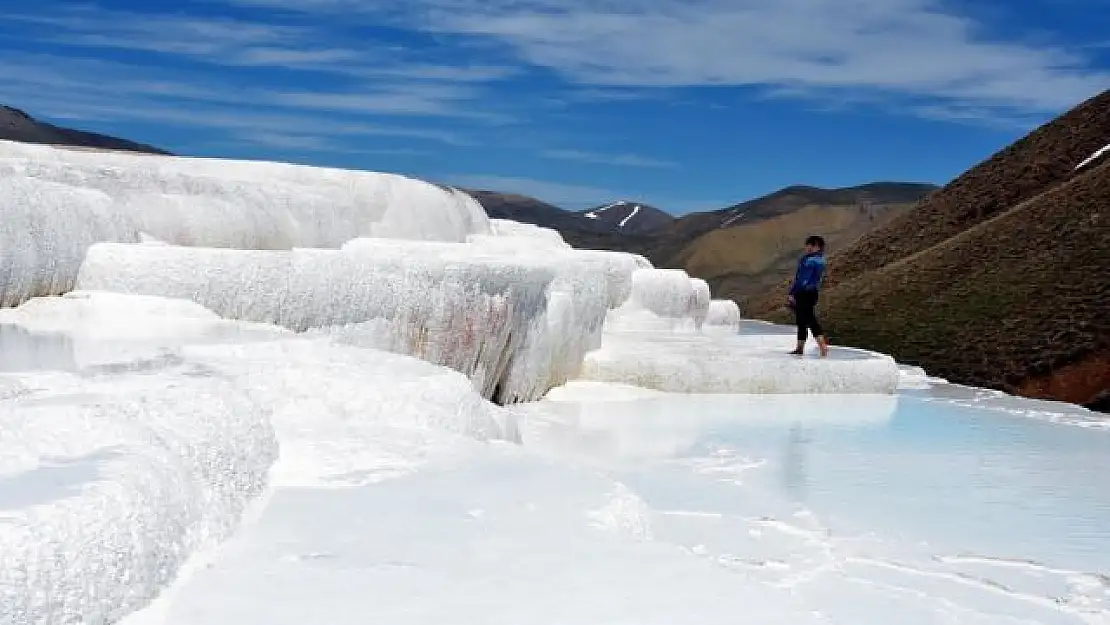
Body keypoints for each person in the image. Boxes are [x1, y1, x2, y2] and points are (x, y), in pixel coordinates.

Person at [787, 235, 829, 357]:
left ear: (817, 246)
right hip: (810, 292)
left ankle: (822, 346)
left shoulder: (810, 261)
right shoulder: (818, 259)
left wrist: (793, 293)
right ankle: (800, 348)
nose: (808, 247)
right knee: (801, 319)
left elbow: (802, 280)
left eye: (811, 245)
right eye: (808, 245)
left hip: (805, 292)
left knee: (809, 319)